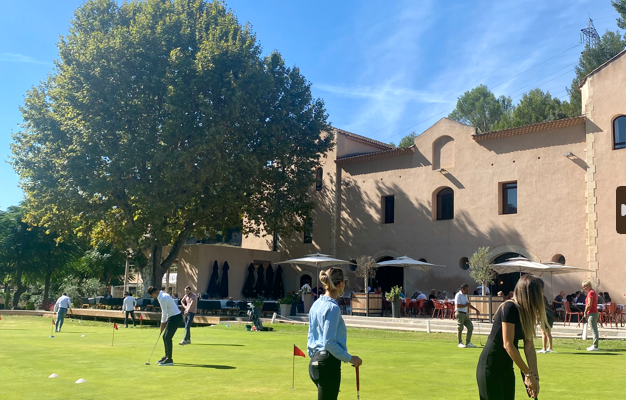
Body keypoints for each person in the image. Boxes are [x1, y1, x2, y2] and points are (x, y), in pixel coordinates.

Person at [476, 275, 547, 400]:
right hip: (490, 366)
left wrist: (535, 377)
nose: (542, 297)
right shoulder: (510, 308)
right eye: (540, 293)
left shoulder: (527, 314)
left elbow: (529, 347)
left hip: (507, 368)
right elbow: (508, 345)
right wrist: (527, 374)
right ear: (531, 294)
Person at [308, 268, 362, 400]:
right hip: (327, 364)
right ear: (340, 284)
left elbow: (311, 336)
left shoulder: (315, 304)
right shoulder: (332, 308)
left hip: (315, 362)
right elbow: (328, 342)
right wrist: (349, 358)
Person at [147, 286, 183, 366]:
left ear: (153, 293)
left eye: (152, 295)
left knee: (167, 337)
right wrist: (164, 323)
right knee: (165, 337)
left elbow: (164, 312)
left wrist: (162, 324)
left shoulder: (163, 297)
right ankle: (167, 356)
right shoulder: (162, 295)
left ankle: (169, 359)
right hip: (172, 317)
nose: (153, 297)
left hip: (175, 317)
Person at [455, 283, 479, 348]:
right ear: (462, 289)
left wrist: (476, 309)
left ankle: (468, 342)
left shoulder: (465, 295)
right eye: (466, 289)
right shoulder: (458, 295)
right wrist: (466, 305)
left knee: (470, 327)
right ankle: (460, 342)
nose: (467, 291)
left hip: (465, 314)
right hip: (459, 313)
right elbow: (458, 305)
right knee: (460, 328)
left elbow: (468, 304)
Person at [582, 279, 599, 351]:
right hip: (594, 313)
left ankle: (595, 346)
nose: (584, 288)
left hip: (592, 313)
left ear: (588, 286)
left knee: (593, 330)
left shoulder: (590, 293)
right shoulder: (593, 292)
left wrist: (585, 312)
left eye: (585, 286)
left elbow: (589, 304)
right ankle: (595, 345)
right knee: (594, 329)